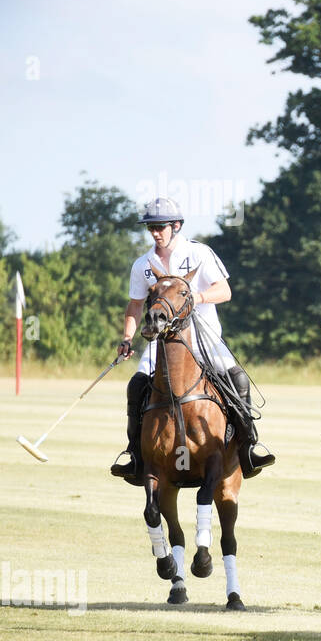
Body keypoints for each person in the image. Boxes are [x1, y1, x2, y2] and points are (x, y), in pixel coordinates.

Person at [111, 197, 275, 483]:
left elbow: (224, 291)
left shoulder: (199, 253)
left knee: (238, 379)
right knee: (136, 385)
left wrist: (196, 297)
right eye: (151, 227)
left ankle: (250, 447)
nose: (155, 232)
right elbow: (135, 305)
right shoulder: (143, 264)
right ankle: (135, 453)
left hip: (204, 337)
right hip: (161, 343)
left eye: (160, 226)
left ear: (176, 226)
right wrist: (127, 337)